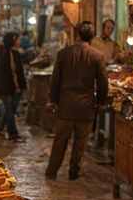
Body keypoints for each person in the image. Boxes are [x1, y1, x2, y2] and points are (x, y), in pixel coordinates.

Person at [45, 21, 108, 180]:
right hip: (85, 108)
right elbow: (102, 82)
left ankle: (52, 171)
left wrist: (53, 100)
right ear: (92, 37)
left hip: (65, 107)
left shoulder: (63, 53)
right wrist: (101, 101)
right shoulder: (97, 56)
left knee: (60, 142)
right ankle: (74, 171)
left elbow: (55, 80)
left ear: (77, 35)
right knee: (80, 144)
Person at [0, 32, 26, 142]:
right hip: (8, 88)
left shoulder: (14, 54)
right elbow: (11, 73)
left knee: (10, 110)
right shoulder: (6, 55)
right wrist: (17, 86)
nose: (19, 42)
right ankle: (13, 134)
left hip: (12, 88)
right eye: (18, 40)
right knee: (10, 111)